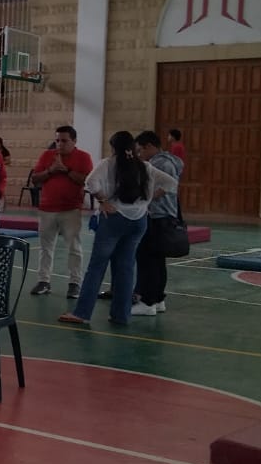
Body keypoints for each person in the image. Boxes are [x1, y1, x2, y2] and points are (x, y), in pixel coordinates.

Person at [60, 131, 178, 328]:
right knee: (126, 267)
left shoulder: (108, 164)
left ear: (113, 147)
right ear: (133, 147)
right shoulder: (145, 166)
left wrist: (103, 201)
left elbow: (90, 182)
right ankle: (121, 315)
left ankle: (82, 313)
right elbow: (170, 183)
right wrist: (147, 201)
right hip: (139, 221)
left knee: (97, 266)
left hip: (114, 219)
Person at [29, 125, 93, 299]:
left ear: (74, 141)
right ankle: (43, 281)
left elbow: (87, 181)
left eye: (64, 141)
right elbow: (35, 179)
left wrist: (66, 170)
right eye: (57, 140)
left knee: (74, 247)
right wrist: (51, 170)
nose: (60, 144)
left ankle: (75, 283)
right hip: (47, 208)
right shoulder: (47, 155)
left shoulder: (83, 157)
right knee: (46, 247)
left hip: (70, 209)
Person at [134, 130, 184, 315]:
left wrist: (144, 199)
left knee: (148, 260)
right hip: (163, 216)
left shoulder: (160, 163)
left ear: (149, 146)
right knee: (157, 260)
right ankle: (158, 299)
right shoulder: (168, 161)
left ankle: (148, 302)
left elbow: (167, 186)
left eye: (140, 150)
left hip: (158, 217)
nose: (139, 155)